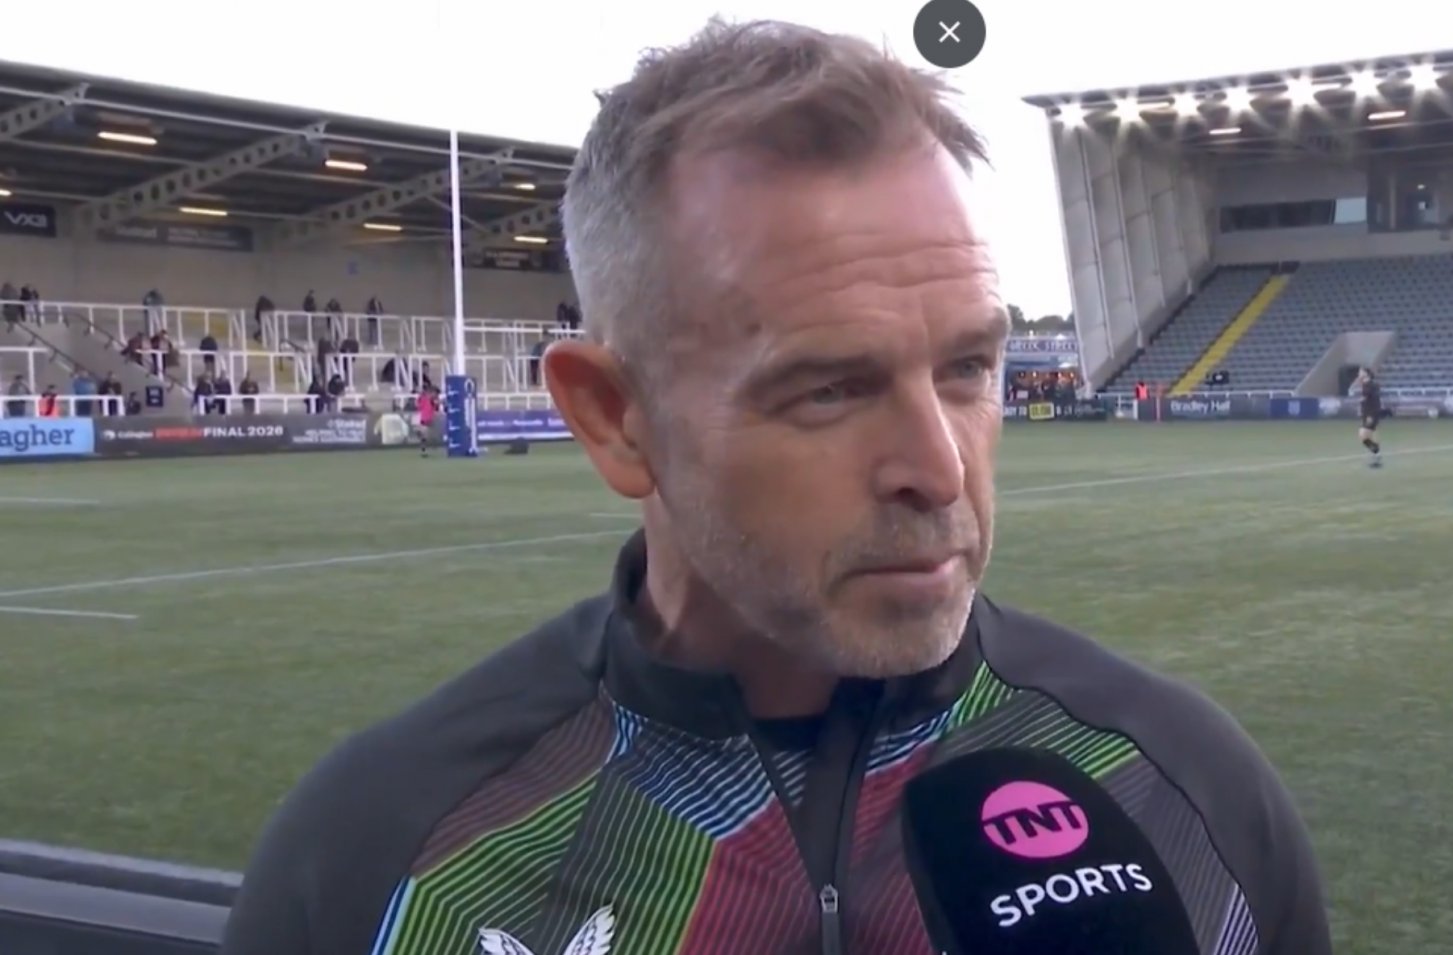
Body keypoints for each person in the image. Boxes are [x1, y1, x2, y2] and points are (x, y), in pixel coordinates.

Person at [222, 20, 1330, 955]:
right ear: (614, 417)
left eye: (966, 369)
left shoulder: (1186, 790)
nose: (940, 468)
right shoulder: (379, 854)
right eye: (830, 390)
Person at [1355, 366, 1383, 468]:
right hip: (1367, 414)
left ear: (1366, 374)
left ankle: (1377, 454)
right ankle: (1376, 456)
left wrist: (1370, 415)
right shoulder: (1366, 385)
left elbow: (1375, 401)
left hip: (1371, 414)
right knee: (1367, 436)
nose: (1359, 374)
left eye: (1360, 372)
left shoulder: (1371, 385)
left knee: (1363, 435)